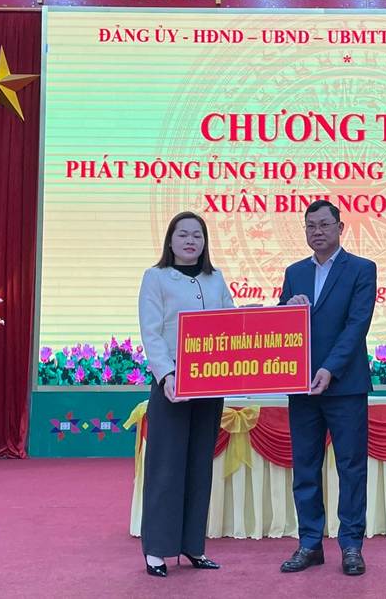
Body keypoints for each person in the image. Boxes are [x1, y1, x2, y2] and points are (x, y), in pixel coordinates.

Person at [278, 200, 377, 577]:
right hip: (302, 386)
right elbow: (280, 326)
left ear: (340, 227)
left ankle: (351, 546)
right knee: (305, 467)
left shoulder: (362, 269)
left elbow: (356, 325)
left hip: (345, 386)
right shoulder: (294, 272)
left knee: (351, 468)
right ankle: (309, 543)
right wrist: (288, 307)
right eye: (310, 226)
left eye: (324, 224)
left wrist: (329, 369)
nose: (317, 231)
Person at [138, 211, 235, 578]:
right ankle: (157, 551)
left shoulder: (215, 278)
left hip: (210, 385)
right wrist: (167, 375)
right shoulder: (156, 277)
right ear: (170, 240)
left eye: (197, 235)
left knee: (198, 465)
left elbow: (231, 323)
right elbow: (152, 333)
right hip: (173, 384)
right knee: (166, 467)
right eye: (183, 234)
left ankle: (193, 546)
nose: (191, 240)